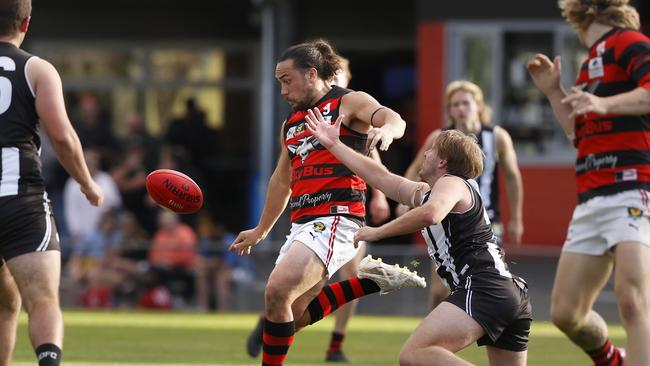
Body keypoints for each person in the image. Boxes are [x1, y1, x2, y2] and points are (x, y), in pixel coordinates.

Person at [229, 39, 425, 366]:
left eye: (286, 80)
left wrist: (387, 131)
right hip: (303, 223)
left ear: (311, 74)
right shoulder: (292, 123)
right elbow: (281, 180)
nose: (282, 90)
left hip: (338, 217)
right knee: (291, 314)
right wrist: (261, 230)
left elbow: (393, 118)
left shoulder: (348, 102)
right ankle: (369, 282)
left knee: (276, 291)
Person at [306, 110, 532, 366]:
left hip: (484, 287)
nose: (425, 154)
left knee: (414, 355)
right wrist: (335, 145)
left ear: (443, 161)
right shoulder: (430, 191)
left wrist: (376, 232)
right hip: (507, 293)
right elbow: (381, 177)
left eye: (431, 150)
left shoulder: (453, 182)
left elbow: (431, 214)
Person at [526, 1, 650, 365]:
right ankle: (614, 359)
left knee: (633, 300)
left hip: (633, 186)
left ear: (590, 9)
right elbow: (578, 132)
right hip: (592, 197)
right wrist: (553, 92)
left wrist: (604, 104)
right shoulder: (591, 60)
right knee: (566, 313)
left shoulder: (629, 42)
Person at [0, 1, 104, 365]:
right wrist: (87, 182)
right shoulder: (36, 69)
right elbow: (61, 136)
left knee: (4, 303)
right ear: (26, 21)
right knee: (41, 299)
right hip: (20, 200)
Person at [398, 80, 524, 309]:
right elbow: (417, 169)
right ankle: (435, 333)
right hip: (445, 217)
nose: (460, 109)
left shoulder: (497, 136)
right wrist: (405, 201)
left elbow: (513, 176)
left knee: (489, 281)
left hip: (487, 220)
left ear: (478, 105)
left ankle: (481, 327)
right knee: (439, 291)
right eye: (454, 104)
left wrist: (516, 218)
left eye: (465, 103)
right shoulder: (439, 137)